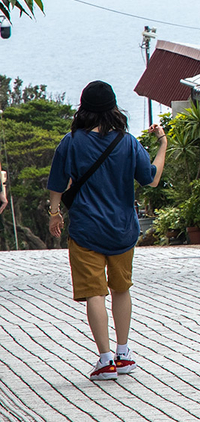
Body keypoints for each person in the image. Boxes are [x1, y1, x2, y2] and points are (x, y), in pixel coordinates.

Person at [46, 80, 167, 381]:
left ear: (83, 108)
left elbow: (57, 183)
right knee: (121, 288)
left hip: (87, 230)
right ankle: (124, 354)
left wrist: (53, 213)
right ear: (113, 107)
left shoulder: (71, 141)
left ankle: (104, 360)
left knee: (95, 294)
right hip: (123, 230)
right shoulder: (127, 142)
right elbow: (150, 179)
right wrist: (163, 144)